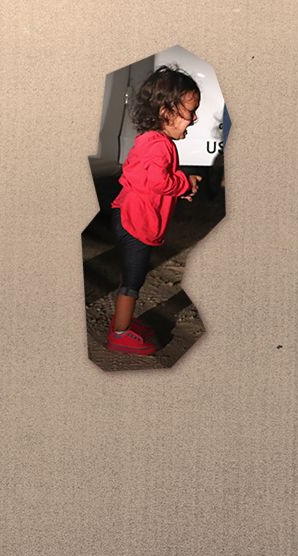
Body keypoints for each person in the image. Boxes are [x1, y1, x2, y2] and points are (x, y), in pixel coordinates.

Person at [106, 66, 202, 355]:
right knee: (133, 281)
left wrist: (181, 187)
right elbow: (155, 180)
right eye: (190, 112)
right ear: (166, 113)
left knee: (132, 277)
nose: (194, 118)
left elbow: (154, 181)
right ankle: (120, 333)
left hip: (131, 217)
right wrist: (184, 182)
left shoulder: (155, 142)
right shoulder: (157, 145)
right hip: (134, 222)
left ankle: (123, 323)